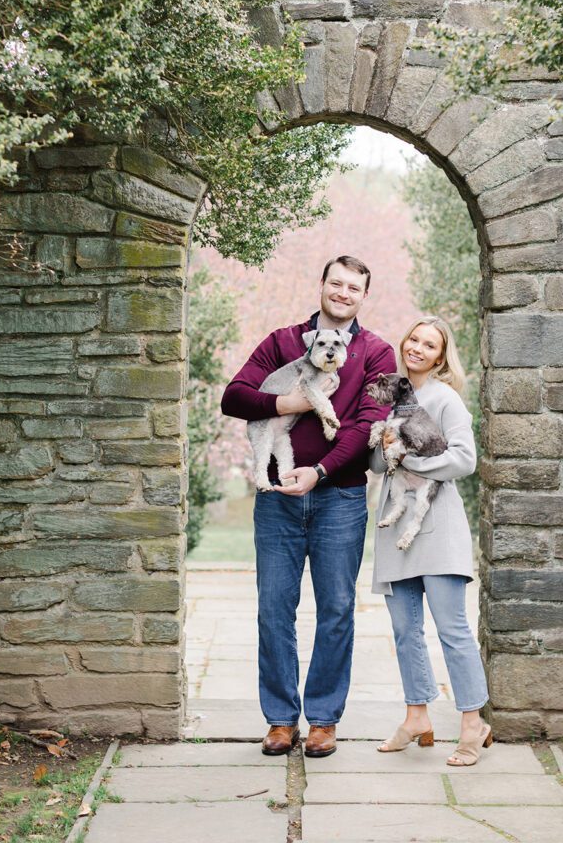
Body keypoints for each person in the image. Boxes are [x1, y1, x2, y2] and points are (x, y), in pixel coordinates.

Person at [221, 255, 396, 759]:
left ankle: (323, 720)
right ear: (321, 285)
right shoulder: (282, 342)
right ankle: (280, 720)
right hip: (277, 499)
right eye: (336, 283)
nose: (343, 293)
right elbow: (234, 397)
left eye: (354, 287)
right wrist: (288, 404)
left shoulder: (377, 352)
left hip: (341, 497)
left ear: (364, 296)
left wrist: (319, 471)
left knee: (337, 609)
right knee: (274, 608)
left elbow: (367, 424)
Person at [370, 315, 491, 767]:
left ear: (440, 357)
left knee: (452, 631)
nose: (417, 348)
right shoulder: (392, 396)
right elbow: (378, 466)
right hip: (396, 528)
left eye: (429, 344)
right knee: (405, 631)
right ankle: (417, 716)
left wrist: (413, 464)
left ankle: (473, 724)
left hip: (438, 527)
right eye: (414, 340)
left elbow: (465, 459)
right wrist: (383, 446)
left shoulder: (446, 400)